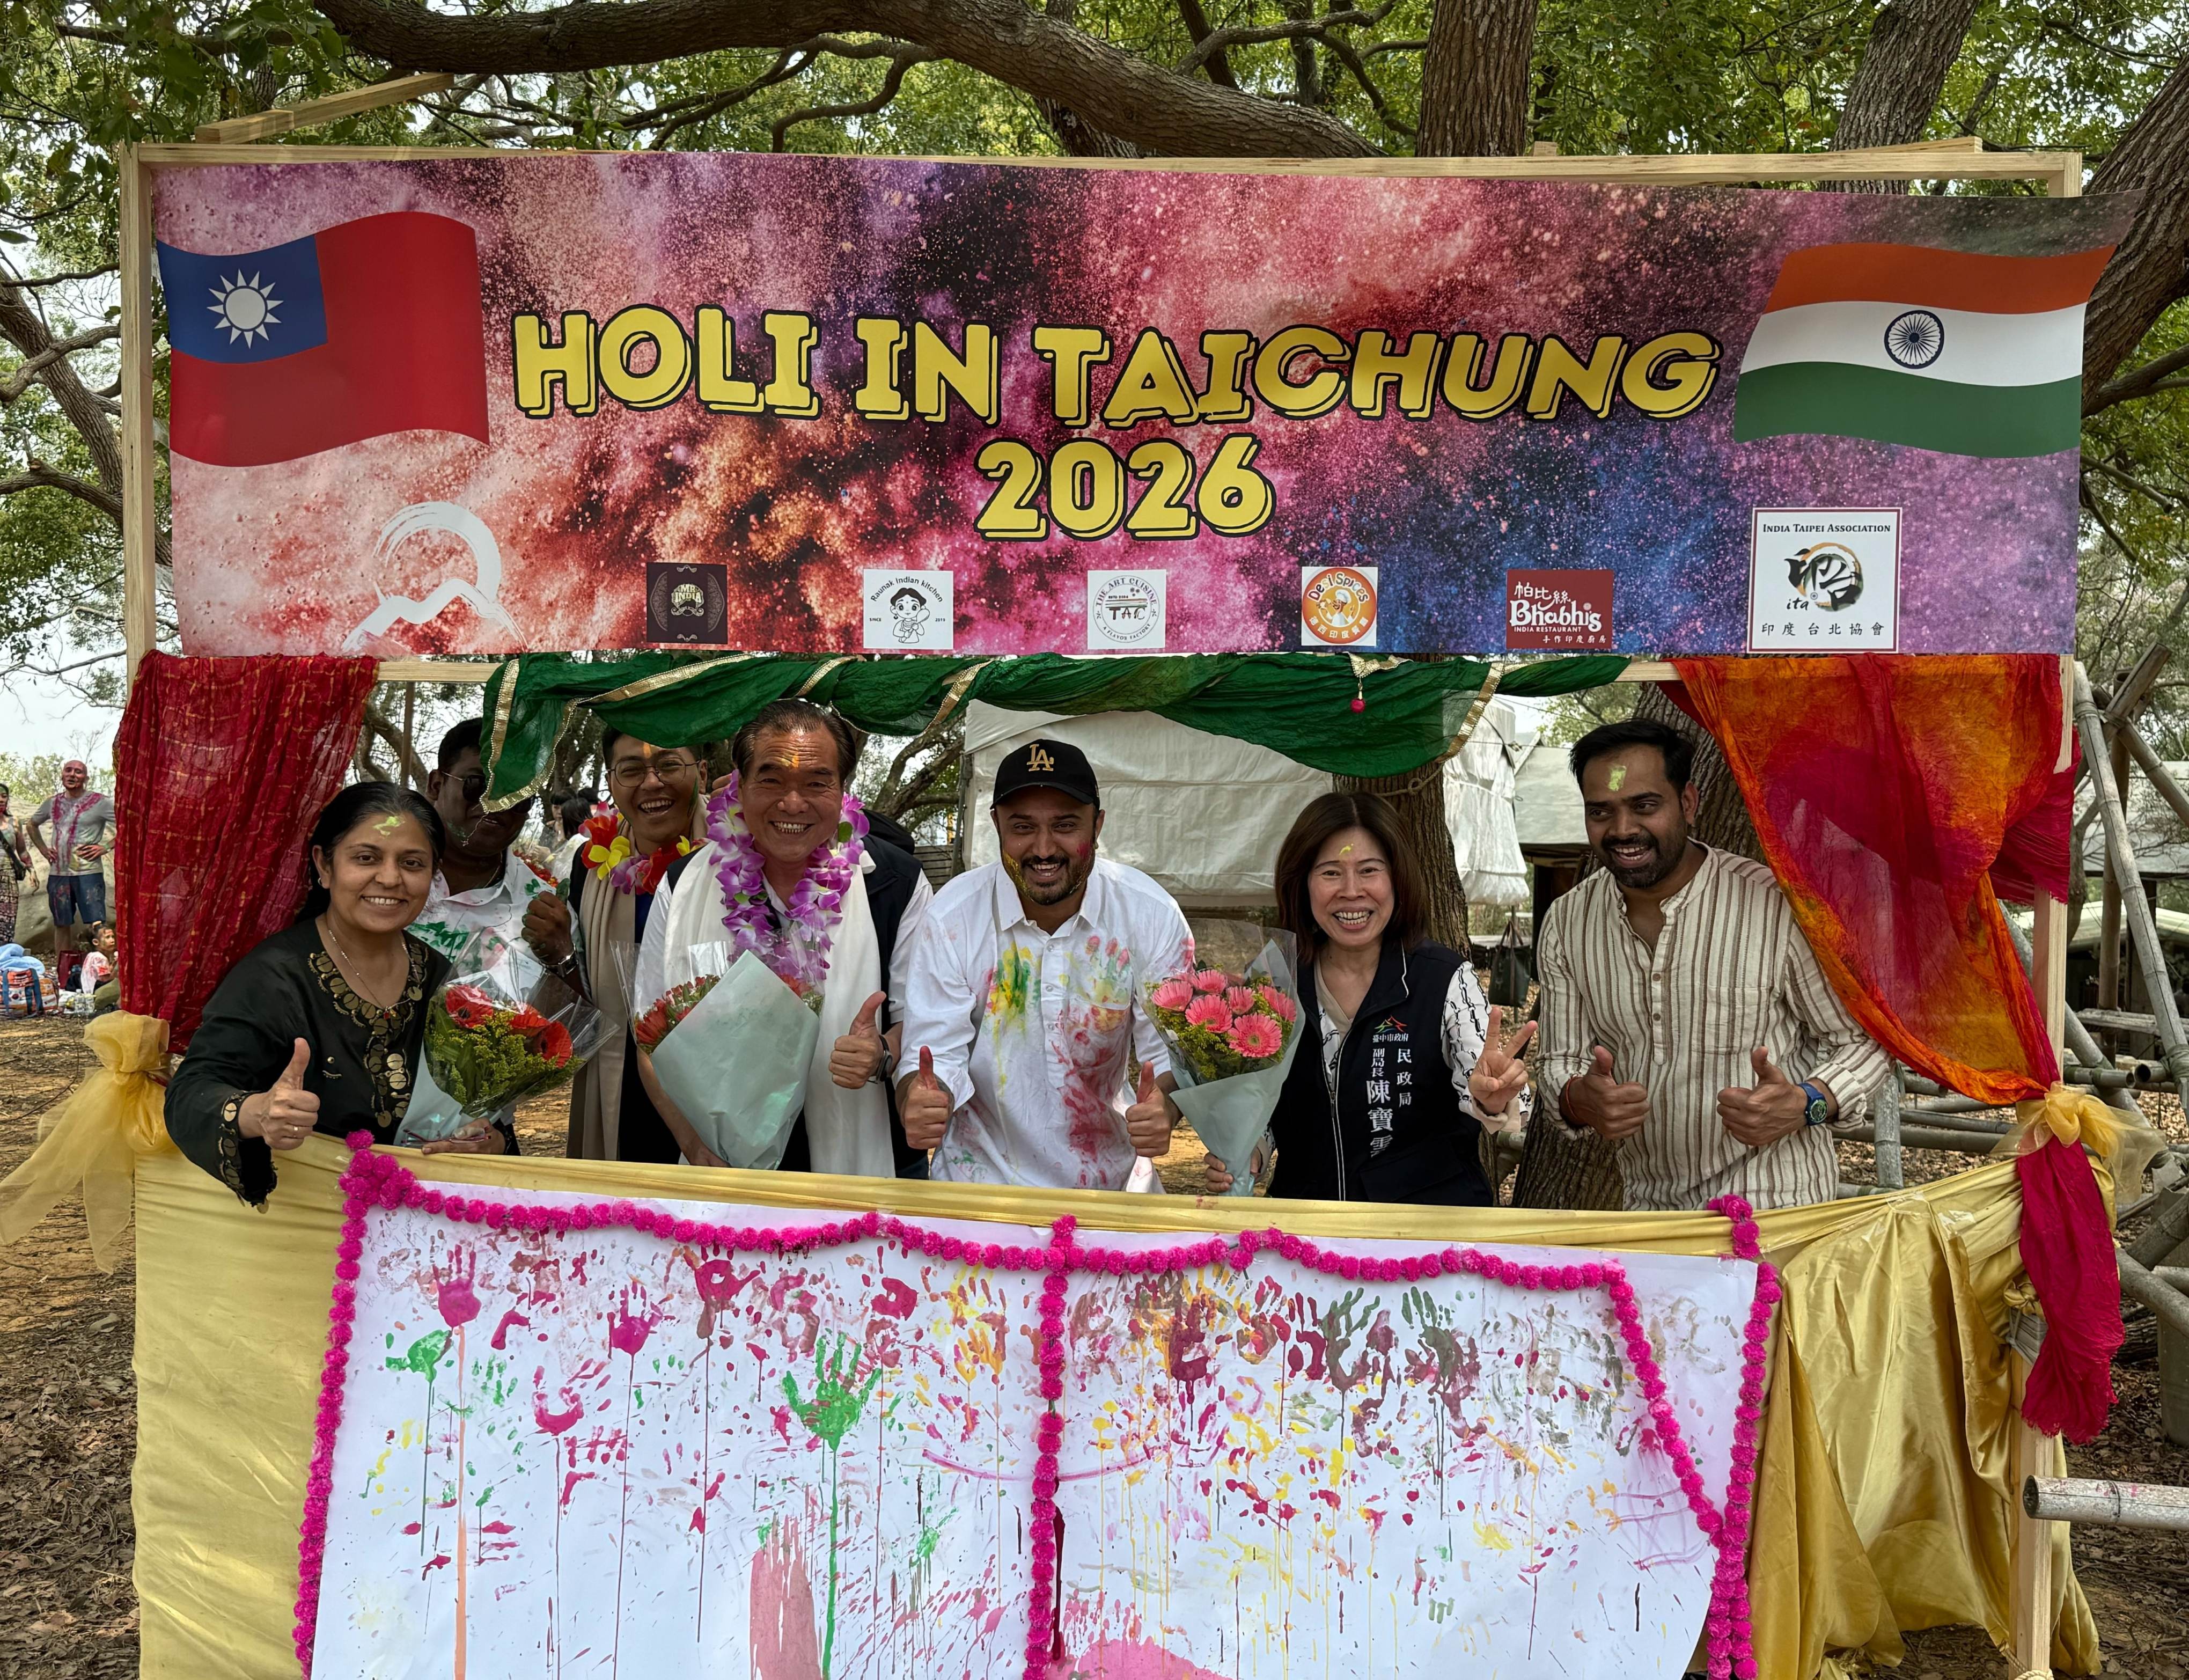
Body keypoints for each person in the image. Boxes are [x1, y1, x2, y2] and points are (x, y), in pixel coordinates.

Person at [1537, 720, 1890, 1211]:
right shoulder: (1567, 922)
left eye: (1645, 805)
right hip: (1651, 1213)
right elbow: (1559, 1062)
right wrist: (1579, 1099)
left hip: (1776, 1206)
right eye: (1601, 811)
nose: (1622, 830)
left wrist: (1807, 1102)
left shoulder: (1776, 905)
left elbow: (1864, 1039)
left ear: (1688, 803)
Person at [165, 783, 512, 1206]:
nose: (390, 878)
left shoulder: (443, 978)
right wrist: (259, 1111)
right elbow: (189, 1096)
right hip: (305, 1222)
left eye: (412, 863)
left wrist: (487, 1141)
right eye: (366, 858)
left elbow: (484, 1114)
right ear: (324, 865)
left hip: (421, 1226)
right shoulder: (274, 977)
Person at [635, 700, 933, 1176]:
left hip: (858, 1156)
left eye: (817, 782)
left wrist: (882, 1053)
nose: (793, 803)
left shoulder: (895, 883)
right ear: (739, 785)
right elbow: (650, 1038)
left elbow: (921, 1021)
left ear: (843, 790)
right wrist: (693, 1143)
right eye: (771, 780)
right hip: (722, 1165)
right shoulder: (684, 885)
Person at [1205, 792, 1535, 1203]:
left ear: (1397, 878)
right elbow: (1263, 1103)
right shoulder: (1273, 978)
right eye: (1330, 873)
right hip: (1310, 1226)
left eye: (1369, 870)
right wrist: (1248, 1149)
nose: (1351, 891)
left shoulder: (1445, 979)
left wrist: (1492, 1099)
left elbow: (1499, 1097)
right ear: (1303, 882)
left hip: (1428, 1228)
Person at [897, 739, 1191, 1190]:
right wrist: (919, 1099)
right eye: (1022, 827)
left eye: (1065, 825)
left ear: (1098, 825)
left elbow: (1171, 1055)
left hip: (1111, 1190)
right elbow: (932, 1058)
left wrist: (1166, 1106)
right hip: (980, 1191)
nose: (1044, 848)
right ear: (996, 825)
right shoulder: (953, 916)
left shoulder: (1150, 913)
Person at [523, 731, 706, 1162]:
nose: (652, 782)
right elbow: (580, 1012)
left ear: (702, 771)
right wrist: (561, 953)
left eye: (669, 765)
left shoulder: (740, 856)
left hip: (716, 1078)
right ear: (610, 781)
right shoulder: (591, 867)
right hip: (620, 1083)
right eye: (632, 769)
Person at [409, 718, 554, 979]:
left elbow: (575, 1005)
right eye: (478, 784)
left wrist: (562, 958)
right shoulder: (379, 878)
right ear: (436, 785)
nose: (498, 803)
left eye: (518, 794)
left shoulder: (545, 911)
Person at [27, 760, 114, 993]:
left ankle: (101, 979)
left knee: (96, 923)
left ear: (86, 778)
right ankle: (63, 979)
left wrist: (105, 847)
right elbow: (32, 825)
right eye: (68, 770)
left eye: (78, 772)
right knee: (62, 923)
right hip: (59, 874)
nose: (72, 775)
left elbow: (128, 824)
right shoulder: (53, 803)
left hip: (89, 873)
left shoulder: (100, 802)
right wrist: (44, 850)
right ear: (62, 774)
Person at [0, 783, 30, 947]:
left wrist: (31, 870)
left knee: (6, 922)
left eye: (4, 796)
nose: (1, 800)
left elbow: (22, 851)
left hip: (8, 878)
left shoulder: (15, 822)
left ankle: (3, 955)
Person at [551, 792, 596, 882]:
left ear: (569, 819)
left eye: (562, 819)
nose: (560, 823)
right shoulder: (589, 838)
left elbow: (565, 875)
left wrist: (549, 859)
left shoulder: (577, 840)